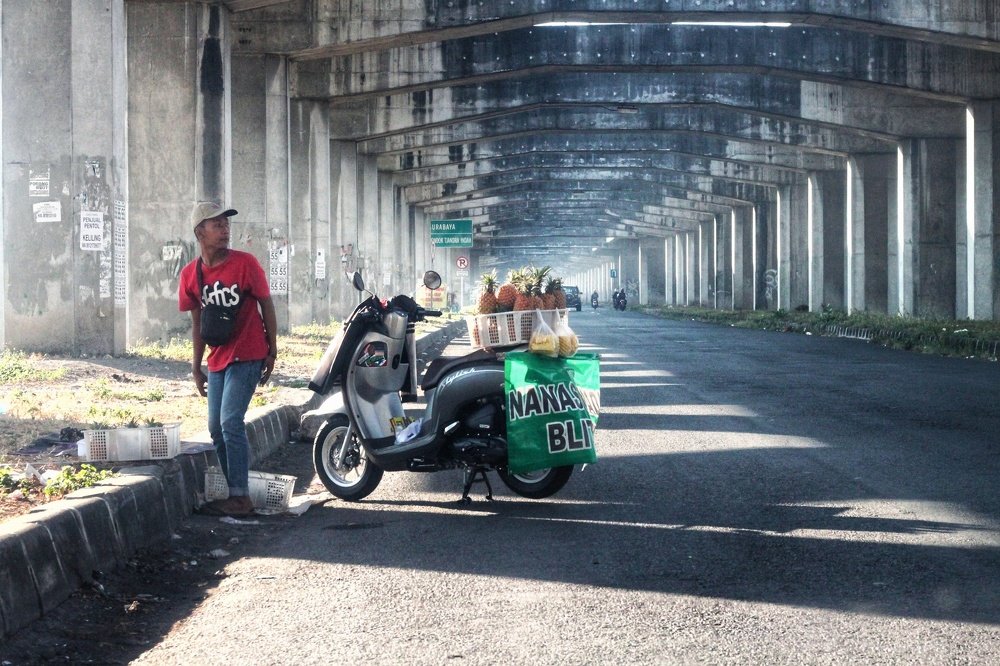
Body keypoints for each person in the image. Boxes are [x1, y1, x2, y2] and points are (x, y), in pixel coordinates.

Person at [178, 202, 278, 516]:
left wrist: (272, 349)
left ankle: (240, 496)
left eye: (226, 224)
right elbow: (197, 324)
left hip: (249, 353)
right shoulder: (190, 274)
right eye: (217, 225)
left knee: (230, 422)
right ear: (199, 232)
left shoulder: (246, 263)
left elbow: (266, 305)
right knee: (215, 428)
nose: (225, 230)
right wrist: (196, 367)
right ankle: (236, 490)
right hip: (217, 358)